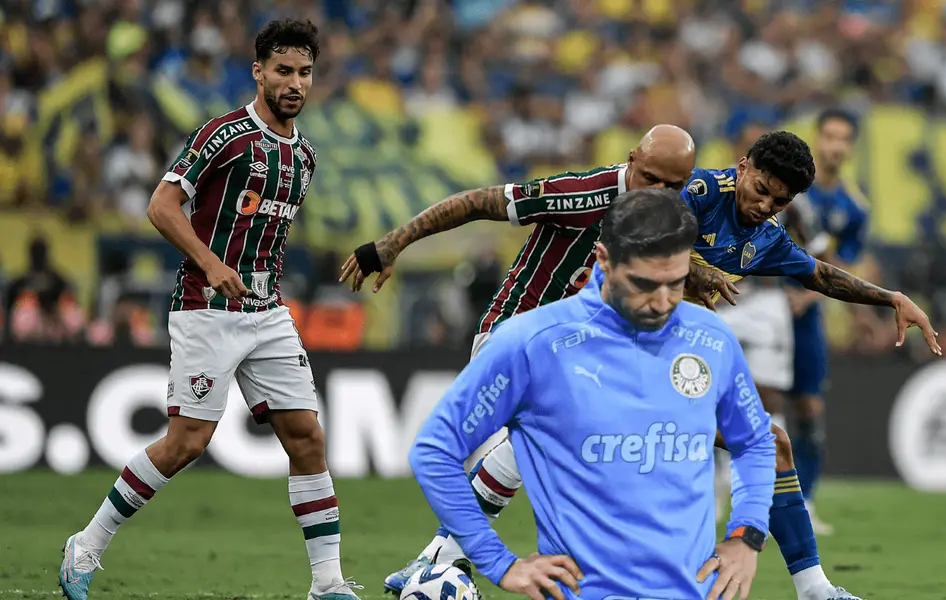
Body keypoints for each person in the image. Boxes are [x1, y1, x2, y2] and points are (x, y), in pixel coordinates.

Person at [57, 20, 362, 600]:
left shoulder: (305, 158)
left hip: (268, 311)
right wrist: (212, 263)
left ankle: (326, 583)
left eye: (304, 73)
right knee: (187, 443)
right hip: (206, 306)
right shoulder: (225, 135)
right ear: (258, 72)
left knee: (307, 438)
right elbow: (161, 204)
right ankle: (87, 543)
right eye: (283, 71)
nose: (295, 83)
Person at [410, 187, 776, 600]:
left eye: (675, 284)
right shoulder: (533, 342)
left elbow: (757, 442)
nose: (661, 303)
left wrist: (746, 535)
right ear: (603, 259)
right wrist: (498, 562)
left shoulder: (710, 337)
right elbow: (435, 448)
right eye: (644, 283)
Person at [680, 130, 939, 600]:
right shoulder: (697, 192)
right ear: (743, 166)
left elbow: (819, 274)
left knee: (773, 445)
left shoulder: (765, 236)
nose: (764, 206)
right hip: (619, 348)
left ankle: (815, 589)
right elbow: (639, 241)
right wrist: (695, 271)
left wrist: (891, 298)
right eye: (761, 190)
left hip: (673, 360)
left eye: (779, 202)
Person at [780, 109, 870, 535]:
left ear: (851, 146)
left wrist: (857, 310)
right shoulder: (790, 187)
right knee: (755, 401)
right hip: (761, 306)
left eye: (843, 138)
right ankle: (732, 484)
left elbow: (841, 268)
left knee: (809, 409)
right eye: (829, 136)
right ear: (818, 139)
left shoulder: (855, 207)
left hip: (807, 315)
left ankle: (806, 501)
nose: (835, 145)